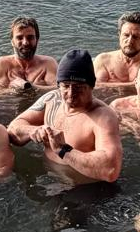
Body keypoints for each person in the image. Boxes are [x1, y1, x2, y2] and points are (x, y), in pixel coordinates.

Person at [8, 49, 122, 183]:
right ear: (58, 85)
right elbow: (12, 129)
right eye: (66, 86)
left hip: (85, 191)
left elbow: (110, 169)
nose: (71, 93)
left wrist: (63, 150)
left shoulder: (104, 116)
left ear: (92, 85)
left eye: (78, 87)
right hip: (49, 179)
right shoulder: (51, 100)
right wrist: (33, 130)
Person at [94, 11, 140, 89]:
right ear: (119, 35)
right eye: (126, 35)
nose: (130, 41)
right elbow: (95, 87)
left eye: (135, 37)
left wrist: (111, 85)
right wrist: (132, 85)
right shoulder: (104, 60)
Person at [0, 16, 58, 92]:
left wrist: (31, 87)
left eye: (30, 37)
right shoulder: (1, 65)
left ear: (37, 40)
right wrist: (14, 90)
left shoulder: (48, 64)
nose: (25, 42)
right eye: (19, 38)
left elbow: (59, 90)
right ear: (12, 42)